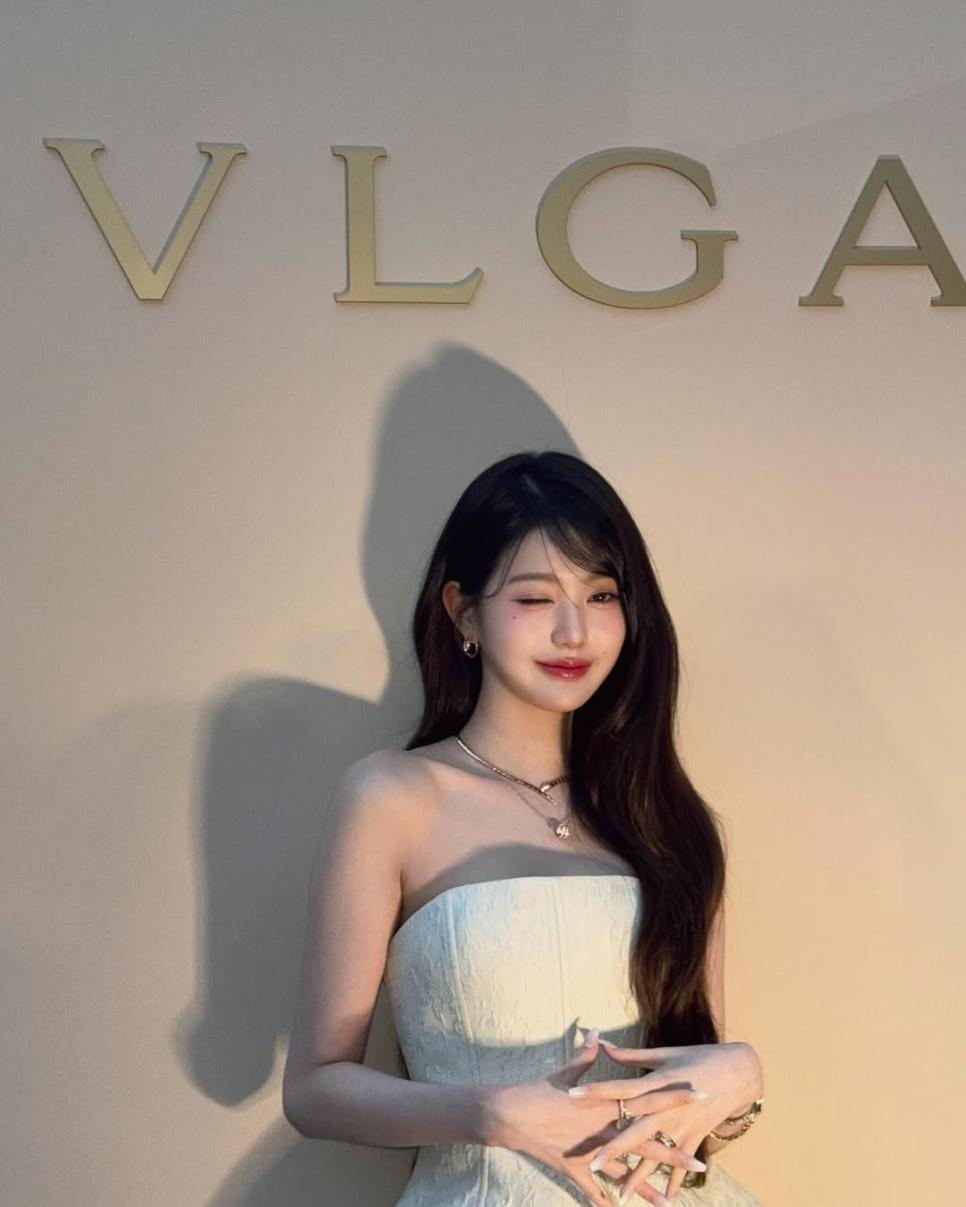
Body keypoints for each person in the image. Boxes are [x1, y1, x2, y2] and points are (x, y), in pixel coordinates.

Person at [282, 450, 765, 1205]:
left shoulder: (670, 820)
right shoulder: (392, 797)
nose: (574, 631)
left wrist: (740, 1081)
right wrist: (490, 1113)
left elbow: (682, 1132)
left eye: (601, 595)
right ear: (463, 612)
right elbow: (314, 1090)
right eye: (536, 598)